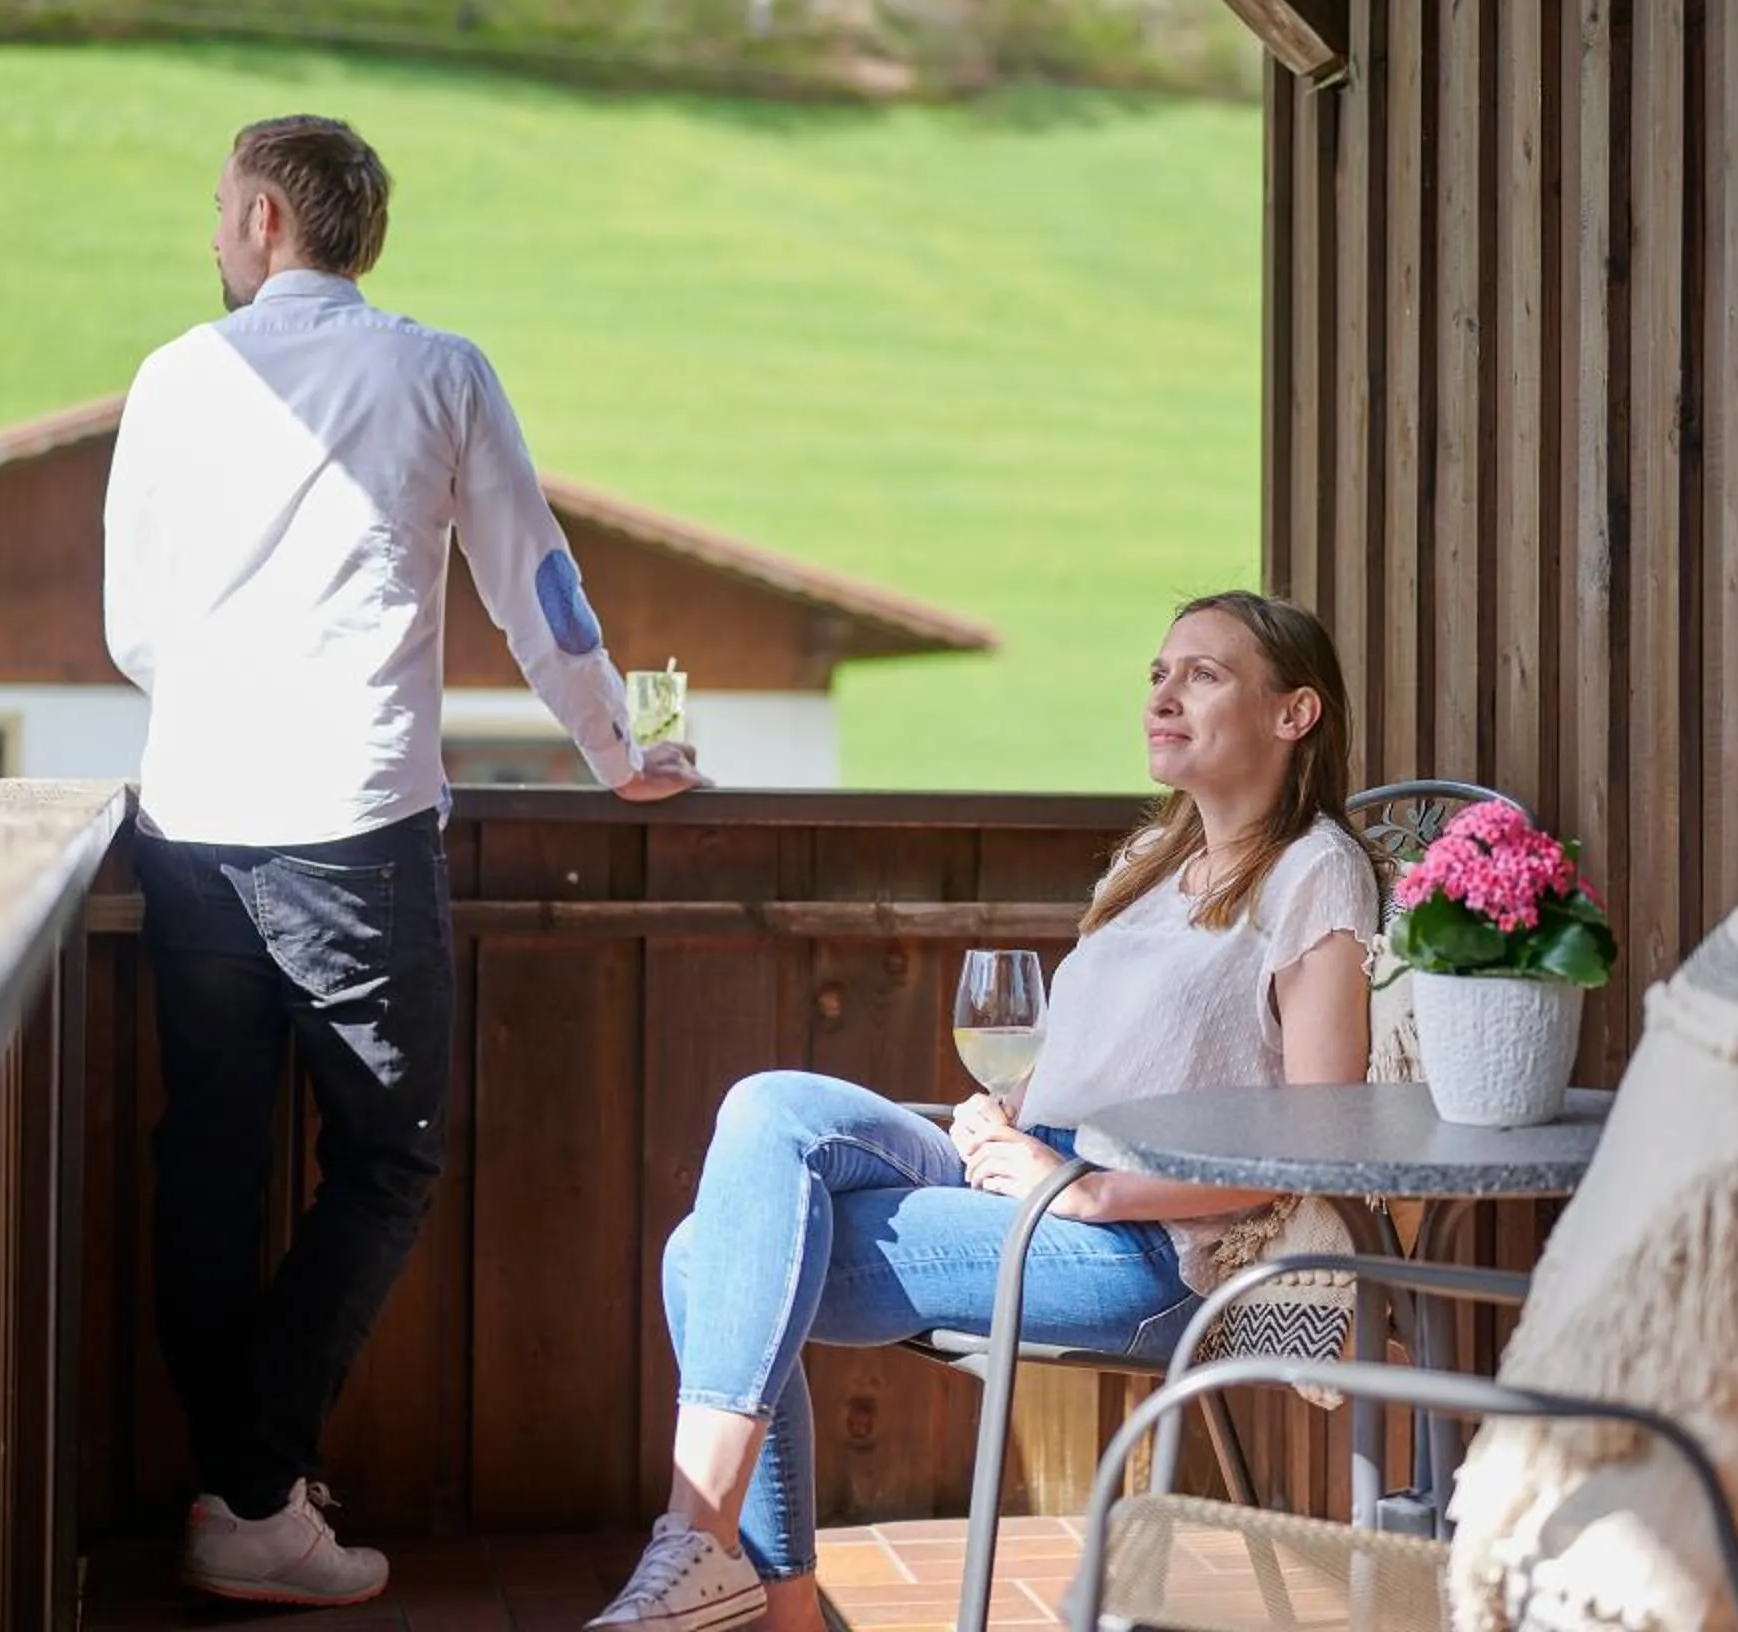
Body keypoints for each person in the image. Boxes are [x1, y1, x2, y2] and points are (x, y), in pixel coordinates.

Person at [104, 114, 704, 1608]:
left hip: (187, 823)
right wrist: (616, 751)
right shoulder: (441, 370)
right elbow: (535, 582)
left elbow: (132, 628)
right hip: (353, 830)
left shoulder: (175, 377)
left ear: (257, 221)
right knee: (389, 1159)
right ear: (361, 234)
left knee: (211, 1164)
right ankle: (254, 1495)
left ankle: (251, 1488)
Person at [588, 592, 1380, 1632]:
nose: (1163, 693)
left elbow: (1316, 1148)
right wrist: (1017, 1107)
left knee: (707, 1259)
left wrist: (1091, 1189)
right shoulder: (1149, 869)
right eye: (1157, 671)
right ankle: (712, 1557)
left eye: (1204, 673)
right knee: (770, 1104)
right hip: (1030, 1172)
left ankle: (732, 1571)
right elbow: (1120, 1054)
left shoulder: (1315, 873)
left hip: (1142, 1244)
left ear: (1296, 713)